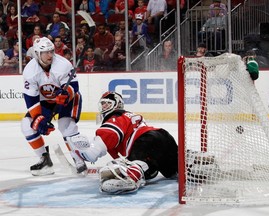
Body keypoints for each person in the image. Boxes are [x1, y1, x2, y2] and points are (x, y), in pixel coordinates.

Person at [66, 91, 178, 194]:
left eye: (108, 103)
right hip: (163, 137)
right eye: (103, 104)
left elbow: (100, 145)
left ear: (117, 104)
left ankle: (130, 178)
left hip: (145, 141)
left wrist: (84, 152)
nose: (104, 106)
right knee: (173, 170)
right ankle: (189, 164)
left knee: (133, 165)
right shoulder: (127, 115)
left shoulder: (115, 116)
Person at [21, 37, 87, 176]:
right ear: (38, 54)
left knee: (65, 127)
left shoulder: (63, 64)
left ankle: (79, 159)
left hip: (69, 100)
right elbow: (31, 98)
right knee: (27, 126)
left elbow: (73, 86)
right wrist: (39, 118)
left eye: (51, 51)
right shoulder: (30, 70)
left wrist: (66, 93)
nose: (50, 55)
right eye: (46, 52)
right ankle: (44, 161)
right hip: (45, 101)